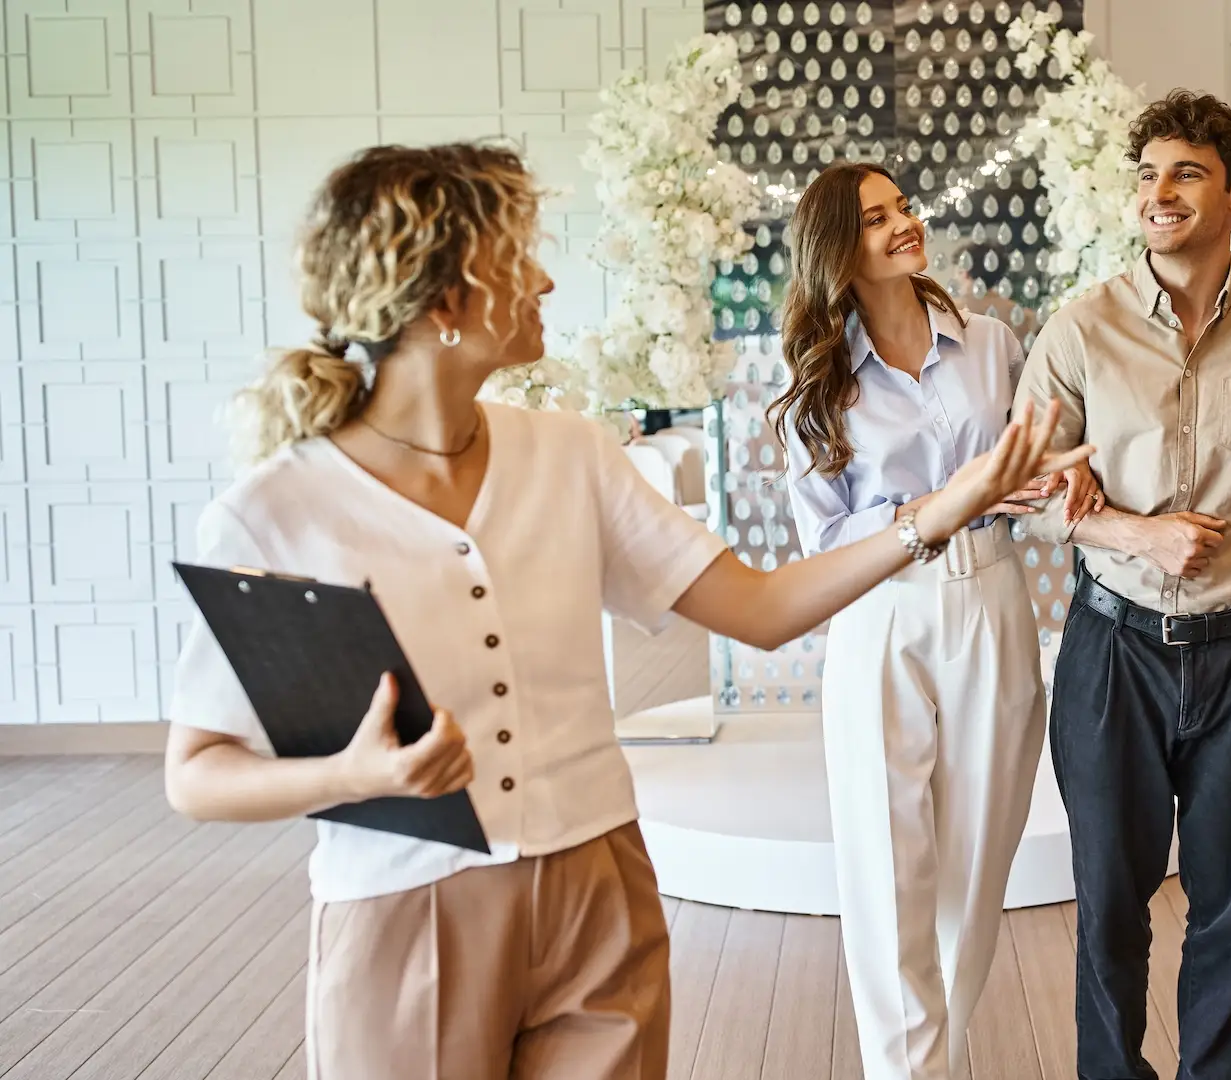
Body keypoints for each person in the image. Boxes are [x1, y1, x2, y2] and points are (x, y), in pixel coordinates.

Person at [160, 142, 1089, 1080]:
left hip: (599, 889)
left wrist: (943, 511)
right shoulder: (273, 512)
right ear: (444, 304)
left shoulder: (570, 454)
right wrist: (351, 774)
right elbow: (199, 773)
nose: (548, 277)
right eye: (518, 258)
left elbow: (761, 610)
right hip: (410, 902)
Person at [1014, 91, 1231, 1080]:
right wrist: (1137, 532)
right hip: (1111, 653)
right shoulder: (1079, 330)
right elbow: (1021, 490)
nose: (1157, 194)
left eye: (1186, 174)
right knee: (1109, 911)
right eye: (1147, 174)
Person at [768, 161, 1098, 1080]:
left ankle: (938, 1065)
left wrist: (1047, 480)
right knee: (886, 869)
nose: (904, 224)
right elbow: (825, 539)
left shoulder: (991, 343)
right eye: (876, 218)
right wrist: (951, 498)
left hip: (994, 599)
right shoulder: (817, 380)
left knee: (975, 870)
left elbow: (1029, 479)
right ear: (839, 248)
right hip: (881, 613)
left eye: (904, 206)